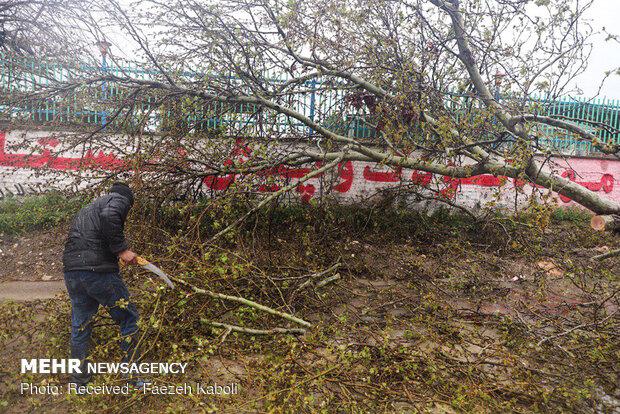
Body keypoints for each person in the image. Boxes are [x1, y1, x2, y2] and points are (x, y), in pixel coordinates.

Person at [62, 182, 140, 386]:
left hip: (73, 271)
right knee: (129, 319)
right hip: (98, 273)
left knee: (80, 327)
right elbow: (109, 216)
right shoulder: (119, 200)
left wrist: (114, 253)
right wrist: (122, 250)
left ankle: (80, 383)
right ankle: (132, 377)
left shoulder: (88, 208)